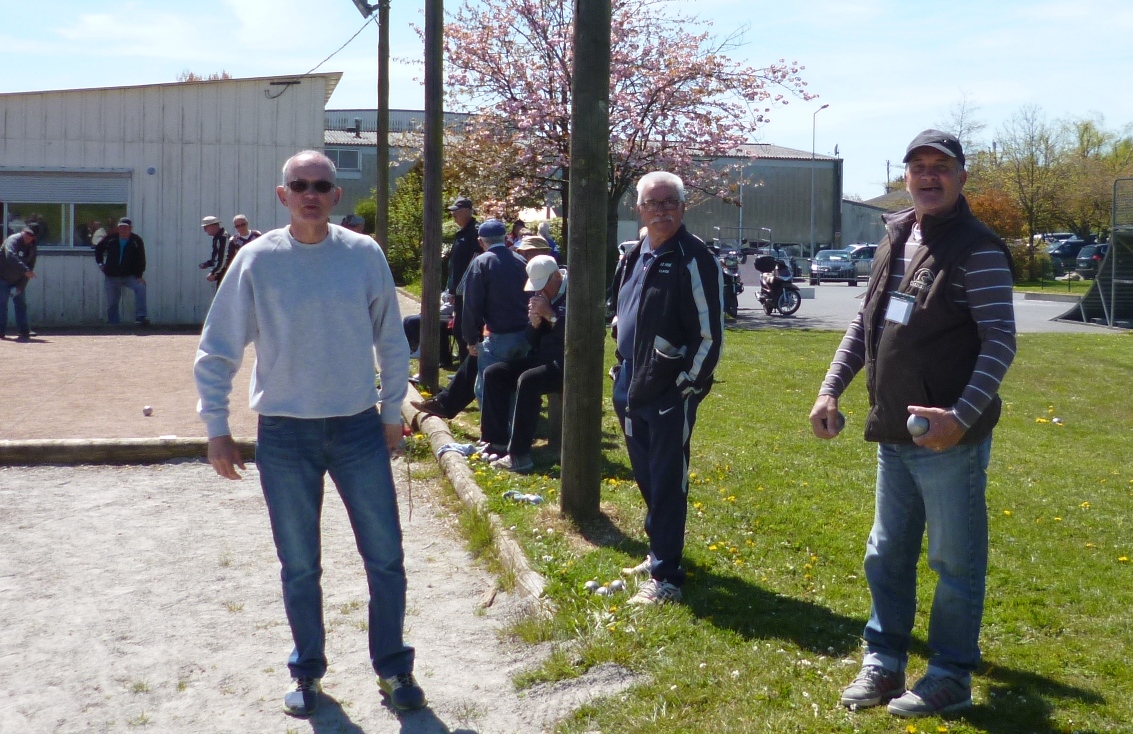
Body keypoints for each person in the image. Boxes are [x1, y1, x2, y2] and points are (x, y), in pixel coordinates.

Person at [194, 149, 425, 718]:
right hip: (285, 433)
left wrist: (391, 410)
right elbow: (218, 346)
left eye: (322, 183)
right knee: (299, 563)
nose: (311, 193)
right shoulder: (257, 259)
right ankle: (307, 672)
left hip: (357, 428)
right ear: (283, 195)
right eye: (300, 184)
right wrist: (217, 428)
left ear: (336, 195)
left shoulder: (363, 254)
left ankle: (394, 667)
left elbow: (391, 339)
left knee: (386, 556)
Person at [809, 130, 1016, 719]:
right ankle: (885, 661)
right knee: (887, 553)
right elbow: (865, 324)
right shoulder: (897, 237)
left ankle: (950, 673)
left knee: (954, 558)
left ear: (961, 178)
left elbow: (1001, 339)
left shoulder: (976, 248)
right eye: (918, 167)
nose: (928, 176)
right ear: (906, 177)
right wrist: (830, 389)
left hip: (948, 437)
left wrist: (960, 416)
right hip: (893, 431)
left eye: (941, 167)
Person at [607, 171, 724, 606]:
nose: (662, 209)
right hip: (629, 380)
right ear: (638, 209)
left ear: (683, 206)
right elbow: (622, 305)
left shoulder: (695, 258)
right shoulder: (634, 254)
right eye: (653, 203)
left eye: (670, 201)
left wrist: (685, 385)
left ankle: (667, 579)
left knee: (667, 478)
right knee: (644, 473)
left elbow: (710, 336)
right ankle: (658, 550)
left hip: (669, 388)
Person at [480, 255, 566, 472]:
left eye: (542, 287)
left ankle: (519, 455)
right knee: (495, 373)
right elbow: (531, 341)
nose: (539, 293)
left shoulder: (576, 295)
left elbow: (577, 338)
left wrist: (552, 316)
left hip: (571, 363)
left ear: (556, 277)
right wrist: (535, 324)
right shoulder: (546, 296)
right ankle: (496, 442)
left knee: (528, 381)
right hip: (546, 358)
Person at [461, 218, 532, 406]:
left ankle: (494, 434)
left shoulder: (481, 263)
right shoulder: (520, 260)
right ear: (504, 237)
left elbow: (472, 305)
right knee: (514, 389)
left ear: (481, 241)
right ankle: (514, 432)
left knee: (487, 389)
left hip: (499, 336)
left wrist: (471, 339)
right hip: (525, 334)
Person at [94, 217, 149, 326]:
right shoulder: (110, 239)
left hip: (129, 275)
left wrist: (139, 275)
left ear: (131, 228)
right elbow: (98, 249)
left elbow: (141, 258)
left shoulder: (136, 241)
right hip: (112, 275)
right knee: (112, 302)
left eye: (126, 228)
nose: (123, 230)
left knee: (141, 288)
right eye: (121, 228)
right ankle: (114, 324)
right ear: (118, 228)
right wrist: (100, 264)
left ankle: (141, 317)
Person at [444, 197, 479, 362]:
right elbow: (454, 264)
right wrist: (450, 289)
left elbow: (474, 263)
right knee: (458, 329)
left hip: (468, 291)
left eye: (456, 212)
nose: (453, 215)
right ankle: (464, 366)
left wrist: (460, 289)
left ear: (466, 211)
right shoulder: (461, 233)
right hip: (457, 291)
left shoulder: (474, 232)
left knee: (463, 330)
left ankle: (467, 367)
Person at [1, 227, 38, 340]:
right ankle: (1, 331)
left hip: (18, 280)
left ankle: (24, 330)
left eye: (31, 237)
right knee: (2, 304)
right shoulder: (13, 240)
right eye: (26, 235)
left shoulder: (32, 247)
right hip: (2, 277)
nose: (28, 238)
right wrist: (25, 270)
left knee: (21, 304)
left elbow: (30, 267)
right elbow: (10, 255)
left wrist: (21, 285)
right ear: (22, 233)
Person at [199, 215, 230, 288]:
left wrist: (213, 272)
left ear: (213, 226)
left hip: (227, 273)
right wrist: (208, 263)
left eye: (205, 227)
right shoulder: (217, 238)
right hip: (224, 273)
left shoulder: (222, 237)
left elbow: (223, 258)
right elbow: (218, 257)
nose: (204, 230)